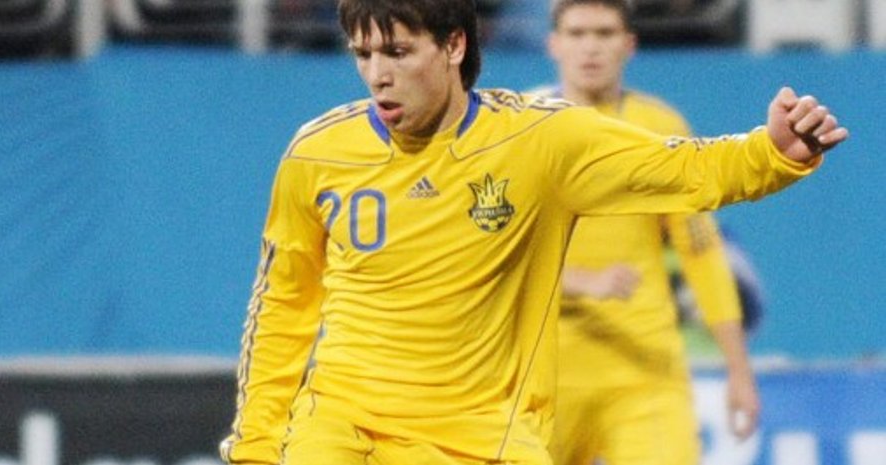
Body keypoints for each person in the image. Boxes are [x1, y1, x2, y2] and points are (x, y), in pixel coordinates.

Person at [218, 1, 847, 464]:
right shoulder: (317, 153)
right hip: (342, 426)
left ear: (454, 46)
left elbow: (690, 173)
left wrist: (774, 152)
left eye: (398, 52)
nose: (377, 74)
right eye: (364, 55)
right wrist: (255, 446)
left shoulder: (539, 141)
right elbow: (283, 306)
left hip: (487, 434)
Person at [534, 1, 760, 464]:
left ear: (629, 44)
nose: (590, 47)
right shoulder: (523, 128)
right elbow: (489, 253)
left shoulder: (660, 128)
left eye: (604, 33)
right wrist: (581, 280)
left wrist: (739, 370)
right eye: (577, 34)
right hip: (545, 373)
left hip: (644, 373)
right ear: (553, 45)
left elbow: (701, 252)